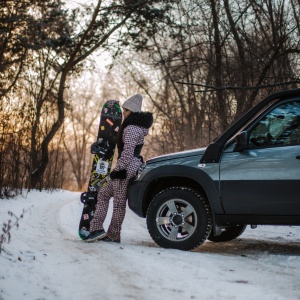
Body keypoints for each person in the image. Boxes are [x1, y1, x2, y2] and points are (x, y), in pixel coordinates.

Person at [86, 94, 153, 243]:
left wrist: (118, 170)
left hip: (126, 168)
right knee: (104, 194)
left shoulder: (131, 129)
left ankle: (112, 234)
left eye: (126, 110)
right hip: (129, 165)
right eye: (123, 109)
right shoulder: (135, 127)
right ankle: (97, 229)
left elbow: (128, 152)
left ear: (133, 112)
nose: (123, 112)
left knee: (118, 203)